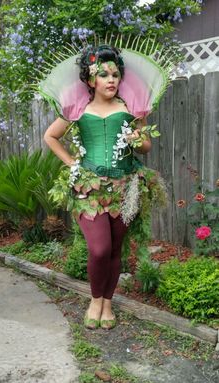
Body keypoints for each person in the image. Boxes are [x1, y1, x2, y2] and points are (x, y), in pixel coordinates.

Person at [41, 44, 169, 329]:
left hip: (125, 188)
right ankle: (94, 298)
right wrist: (72, 163)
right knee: (99, 249)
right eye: (103, 74)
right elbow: (50, 137)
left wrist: (138, 139)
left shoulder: (131, 108)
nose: (111, 79)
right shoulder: (77, 108)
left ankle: (107, 303)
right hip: (89, 190)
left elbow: (146, 146)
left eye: (115, 74)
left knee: (115, 249)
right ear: (90, 80)